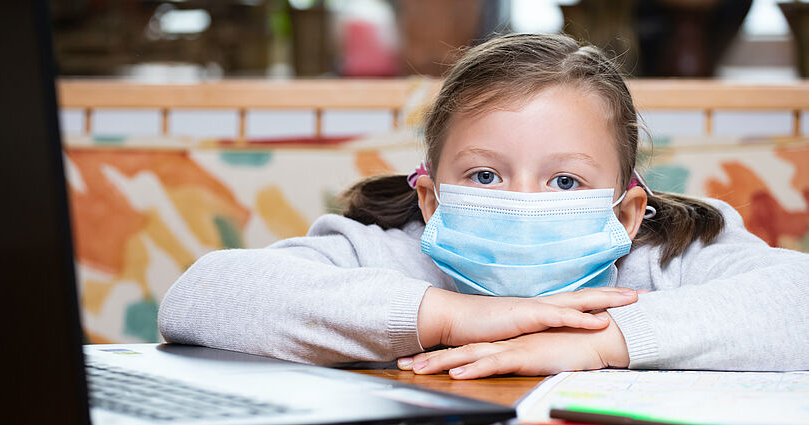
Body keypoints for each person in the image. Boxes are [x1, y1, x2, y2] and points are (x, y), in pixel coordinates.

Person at [158, 33, 809, 379]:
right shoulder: (396, 255)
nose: (523, 202)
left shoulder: (664, 262)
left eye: (564, 182)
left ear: (626, 213)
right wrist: (448, 315)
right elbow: (198, 296)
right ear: (431, 197)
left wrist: (604, 341)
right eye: (487, 174)